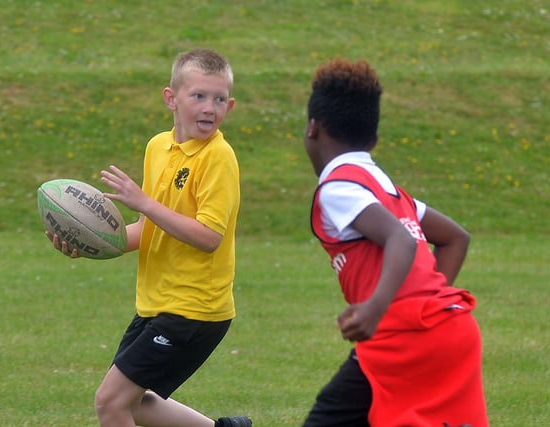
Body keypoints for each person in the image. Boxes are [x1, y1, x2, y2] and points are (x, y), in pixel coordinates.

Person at [46, 48, 251, 427]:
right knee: (137, 404)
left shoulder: (218, 158)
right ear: (171, 98)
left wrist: (144, 202)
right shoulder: (158, 148)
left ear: (230, 105)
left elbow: (209, 237)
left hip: (194, 310)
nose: (210, 107)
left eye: (219, 99)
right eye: (199, 96)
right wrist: (89, 246)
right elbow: (147, 231)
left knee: (111, 402)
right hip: (158, 304)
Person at [301, 57, 488, 427]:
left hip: (402, 343)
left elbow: (399, 240)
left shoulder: (338, 188)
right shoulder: (383, 184)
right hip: (451, 329)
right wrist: (424, 310)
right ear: (373, 139)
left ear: (312, 129)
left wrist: (376, 308)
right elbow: (455, 238)